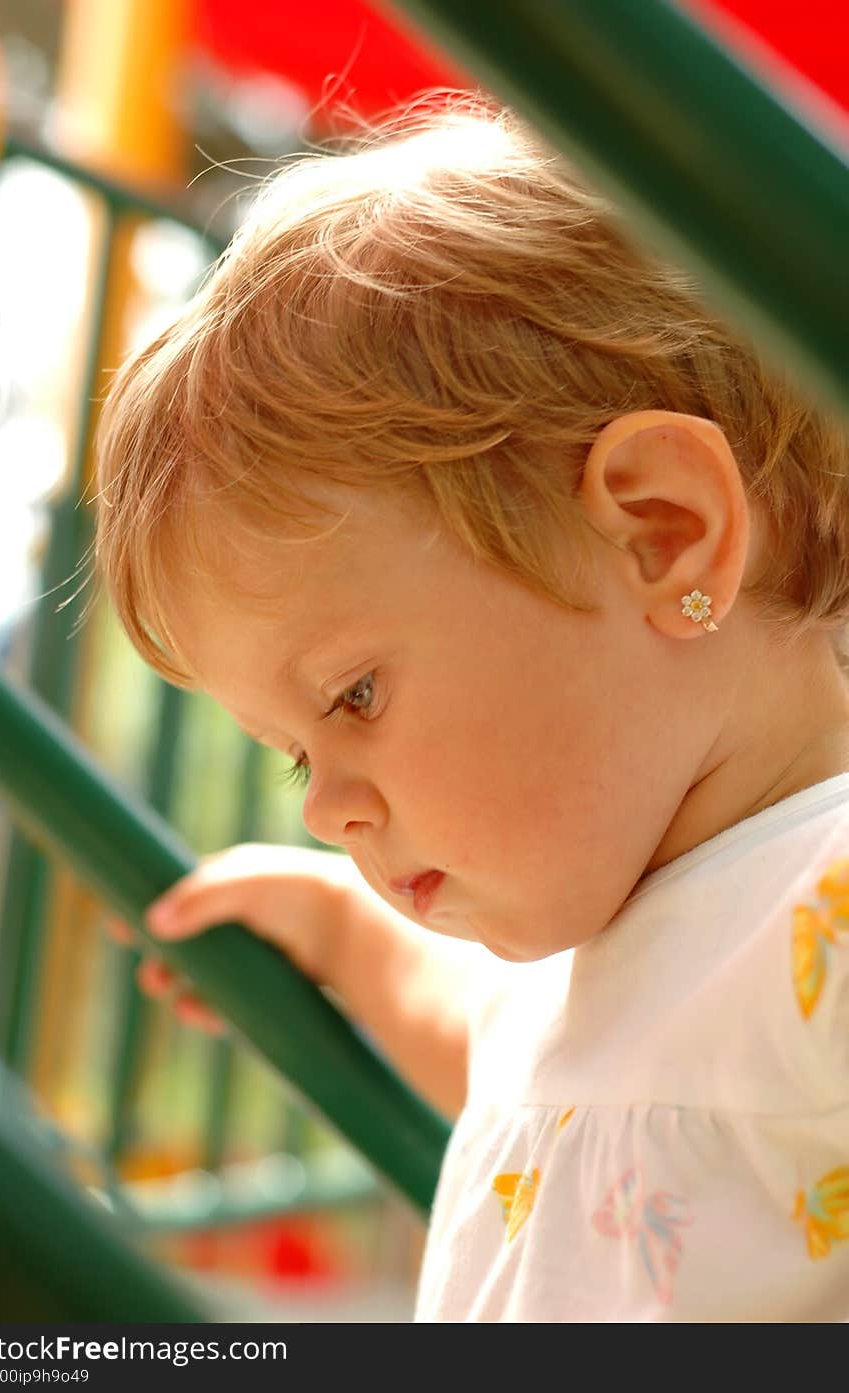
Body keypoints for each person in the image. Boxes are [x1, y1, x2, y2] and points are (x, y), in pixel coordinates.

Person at [93, 94, 849, 1321]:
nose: (331, 807)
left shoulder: (822, 895)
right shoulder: (586, 950)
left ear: (661, 535)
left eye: (353, 696)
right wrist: (347, 940)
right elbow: (504, 1050)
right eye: (295, 757)